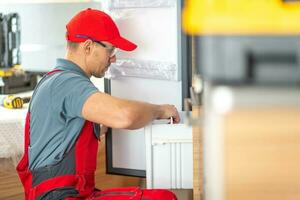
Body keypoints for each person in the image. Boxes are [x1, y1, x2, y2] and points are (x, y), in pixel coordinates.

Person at [16, 8, 180, 200]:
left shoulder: (58, 80)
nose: (114, 58)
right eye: (110, 50)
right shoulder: (67, 83)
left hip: (73, 193)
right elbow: (125, 116)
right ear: (88, 47)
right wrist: (159, 110)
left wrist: (97, 129)